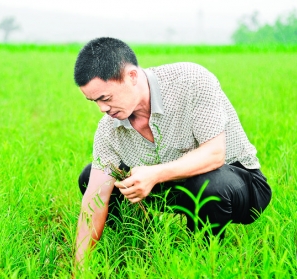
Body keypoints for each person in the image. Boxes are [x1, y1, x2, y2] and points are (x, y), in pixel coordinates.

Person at [73, 37, 271, 266]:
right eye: (93, 101)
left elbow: (215, 154)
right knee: (90, 177)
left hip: (238, 183)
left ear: (132, 76)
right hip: (172, 186)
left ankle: (201, 264)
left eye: (105, 98)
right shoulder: (108, 129)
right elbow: (93, 201)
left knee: (209, 184)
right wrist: (79, 271)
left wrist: (154, 174)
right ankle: (143, 249)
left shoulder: (190, 80)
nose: (102, 109)